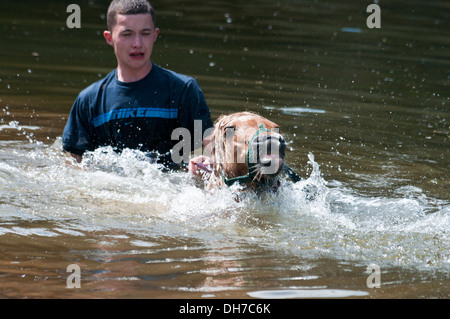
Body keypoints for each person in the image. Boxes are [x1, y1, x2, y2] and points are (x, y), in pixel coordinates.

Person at [62, 0, 213, 170]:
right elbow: (74, 169)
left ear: (155, 35)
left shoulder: (184, 90)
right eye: (127, 34)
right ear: (109, 38)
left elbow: (214, 152)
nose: (137, 43)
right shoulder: (89, 100)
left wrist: (205, 166)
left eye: (145, 33)